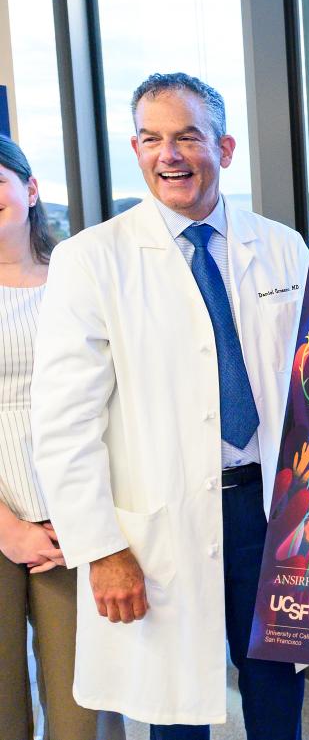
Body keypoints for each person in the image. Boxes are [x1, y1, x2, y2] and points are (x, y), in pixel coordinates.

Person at [31, 73, 309, 739]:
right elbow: (65, 424)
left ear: (227, 147)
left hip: (269, 512)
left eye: (188, 135)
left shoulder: (281, 248)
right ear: (135, 148)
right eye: (152, 138)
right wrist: (101, 550)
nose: (169, 154)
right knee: (176, 711)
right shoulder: (90, 260)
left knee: (278, 692)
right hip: (160, 523)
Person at [0, 136, 99, 738]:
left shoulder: (79, 279)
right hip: (1, 515)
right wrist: (8, 527)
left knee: (82, 709)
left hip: (72, 522)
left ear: (31, 189)